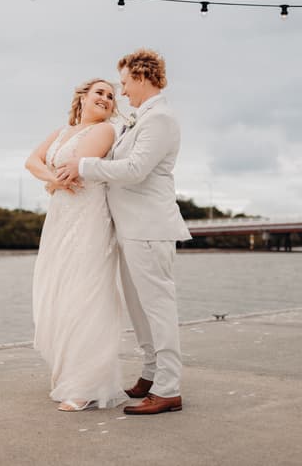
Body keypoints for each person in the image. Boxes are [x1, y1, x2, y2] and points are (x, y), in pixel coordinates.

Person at [56, 49, 192, 415]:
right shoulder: (140, 119)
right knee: (139, 308)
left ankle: (168, 388)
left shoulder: (160, 118)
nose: (123, 89)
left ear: (142, 77)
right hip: (130, 229)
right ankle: (150, 373)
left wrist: (83, 165)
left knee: (158, 307)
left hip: (149, 227)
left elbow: (135, 170)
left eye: (126, 82)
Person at [25, 78, 128, 412]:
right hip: (59, 219)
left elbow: (75, 169)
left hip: (88, 218)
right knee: (60, 290)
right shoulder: (61, 132)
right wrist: (51, 182)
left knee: (86, 293)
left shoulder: (105, 131)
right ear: (82, 97)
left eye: (111, 96)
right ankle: (68, 371)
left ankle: (86, 385)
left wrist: (54, 180)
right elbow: (32, 161)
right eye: (99, 92)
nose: (106, 99)